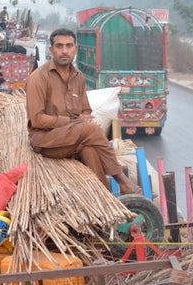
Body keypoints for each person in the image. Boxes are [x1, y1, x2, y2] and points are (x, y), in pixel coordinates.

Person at [25, 28, 140, 194]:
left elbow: (86, 111)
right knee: (92, 129)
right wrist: (71, 122)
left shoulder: (78, 76)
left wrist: (83, 118)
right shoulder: (38, 77)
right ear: (51, 50)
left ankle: (105, 199)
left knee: (90, 149)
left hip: (72, 137)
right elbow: (37, 120)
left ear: (75, 49)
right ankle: (122, 181)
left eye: (69, 46)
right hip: (46, 141)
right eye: (59, 46)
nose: (64, 51)